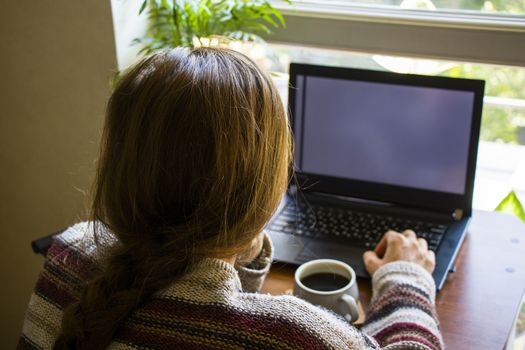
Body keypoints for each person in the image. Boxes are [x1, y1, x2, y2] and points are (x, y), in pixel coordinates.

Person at [19, 47, 443, 350]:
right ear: (268, 189)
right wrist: (406, 278)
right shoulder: (291, 336)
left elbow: (191, 299)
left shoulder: (67, 258)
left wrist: (243, 252)